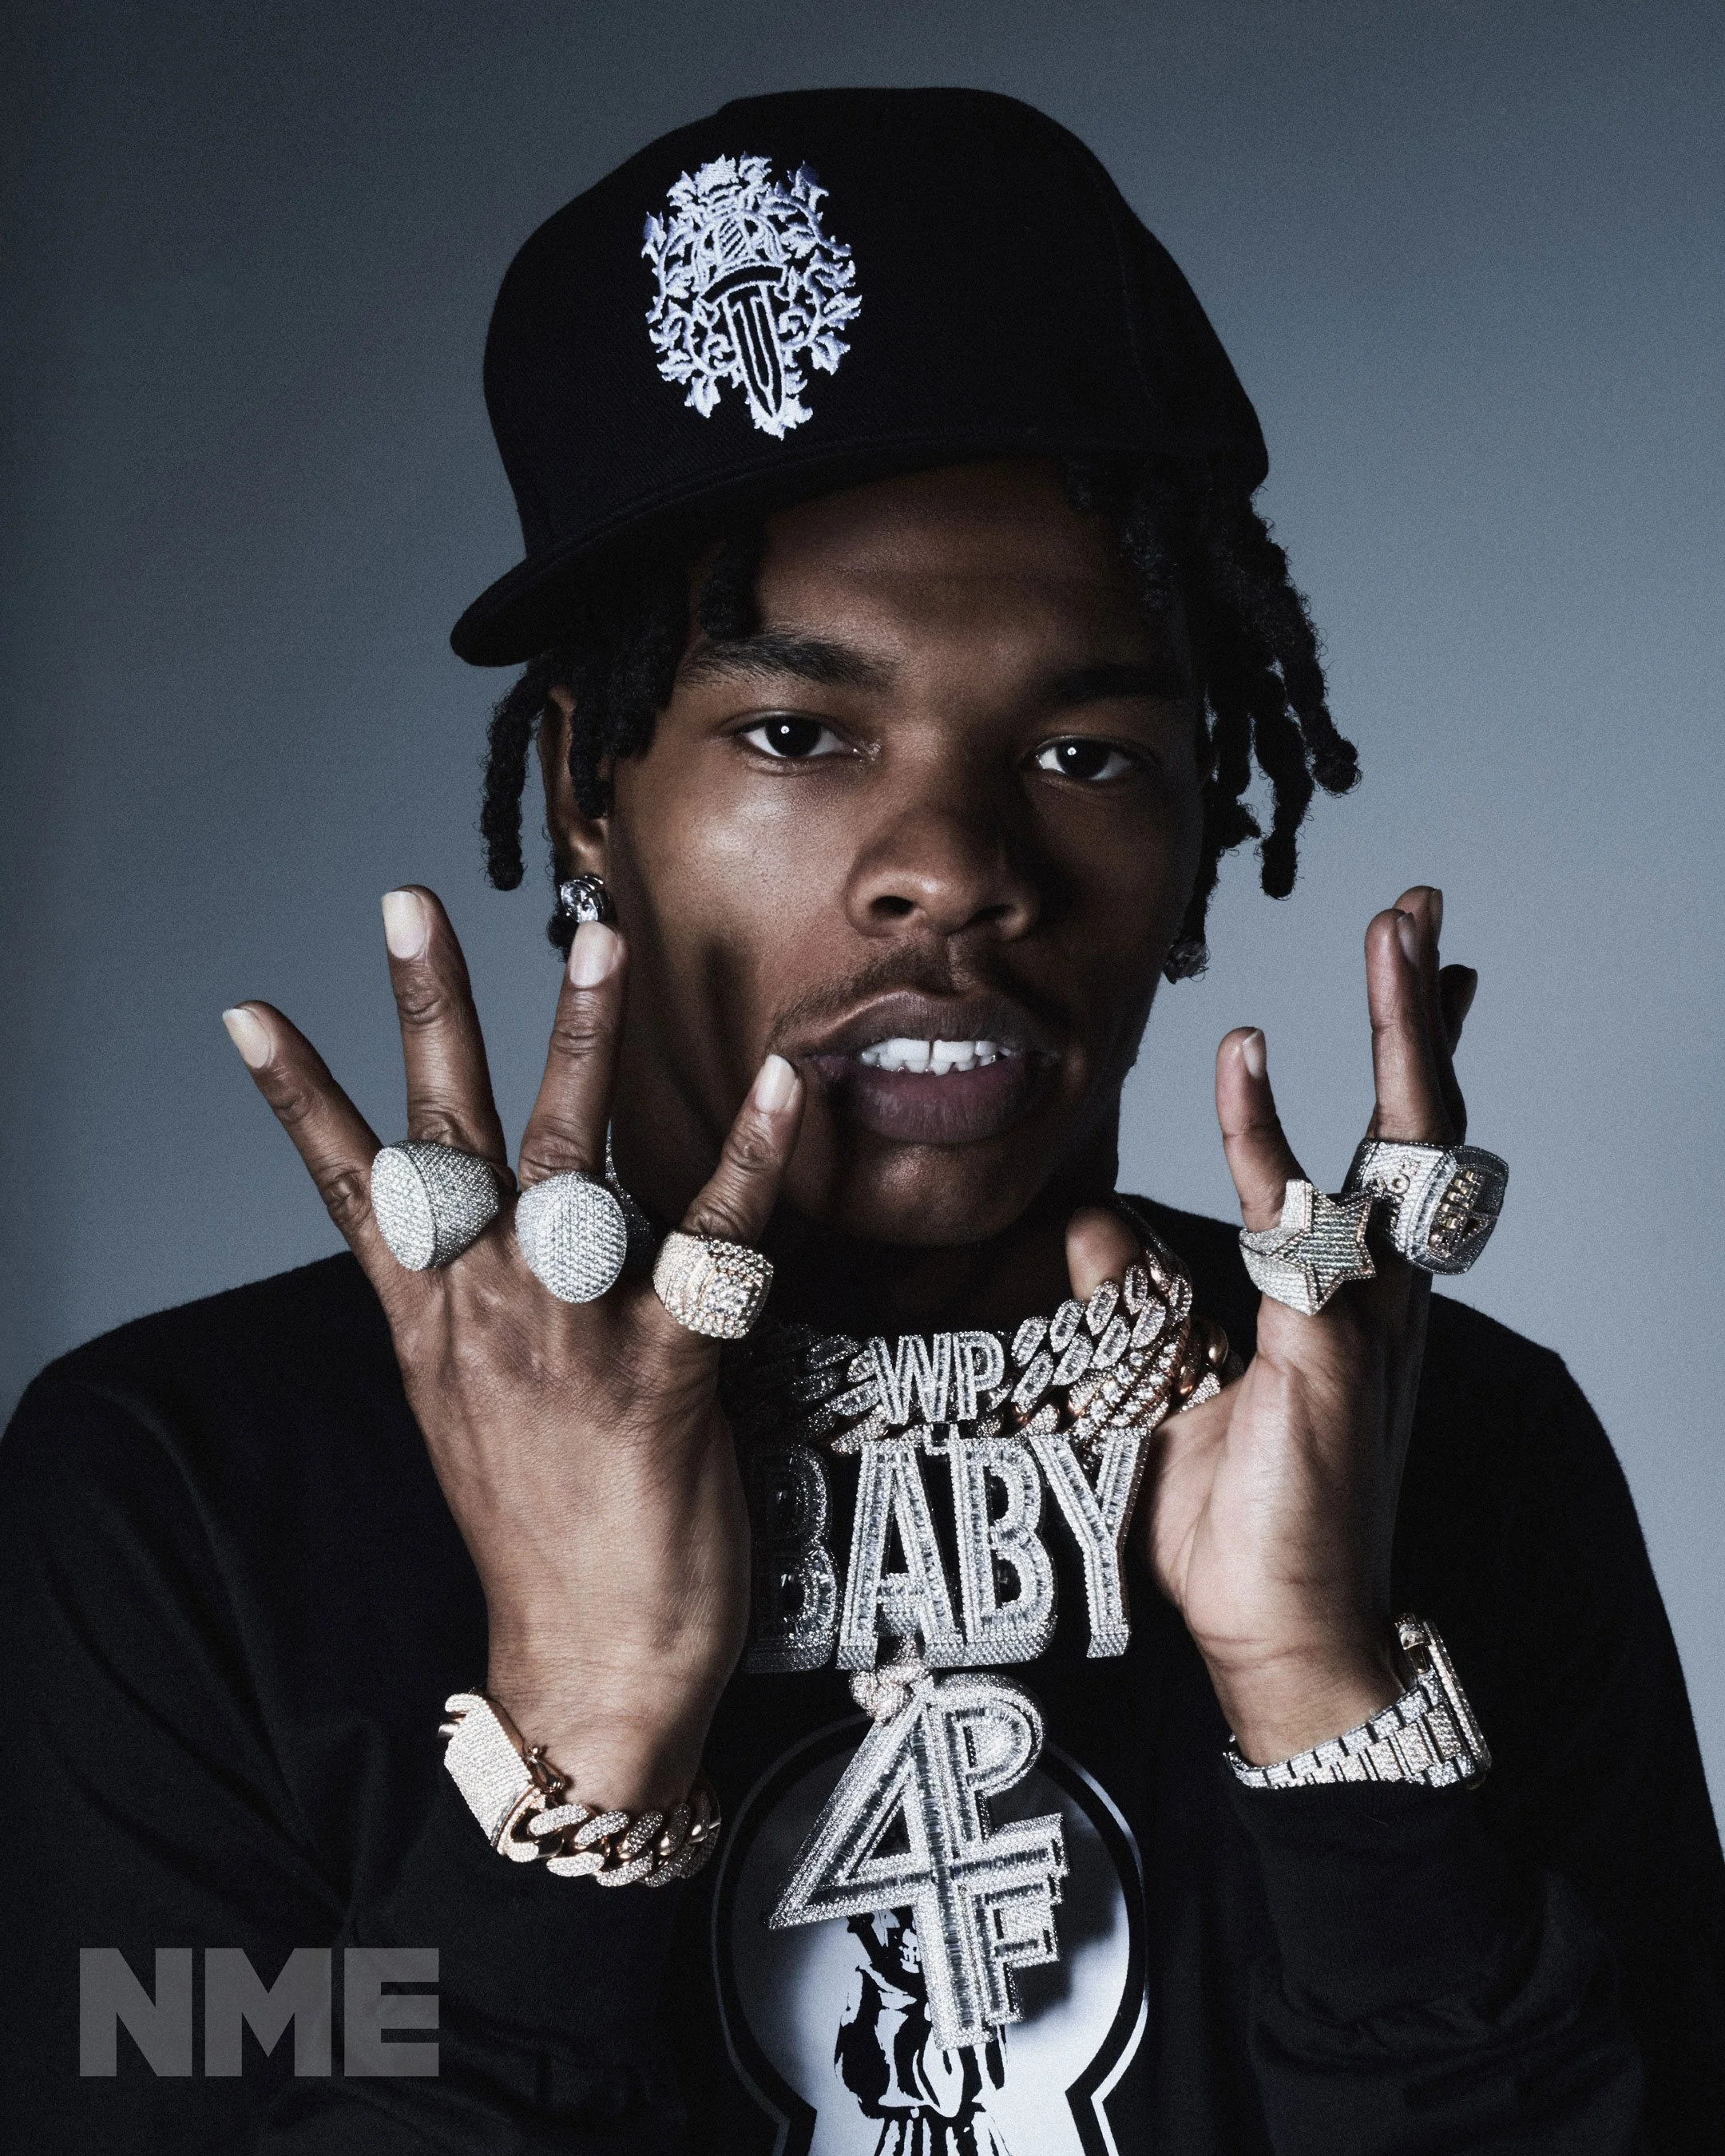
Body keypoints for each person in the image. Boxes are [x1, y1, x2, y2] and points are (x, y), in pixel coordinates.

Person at [2, 86, 1720, 2154]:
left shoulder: (1466, 1456)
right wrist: (576, 1749)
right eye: (798, 731)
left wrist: (1332, 1706)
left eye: (1087, 748)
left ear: (1199, 839)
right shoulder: (190, 1499)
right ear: (583, 790)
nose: (954, 863)